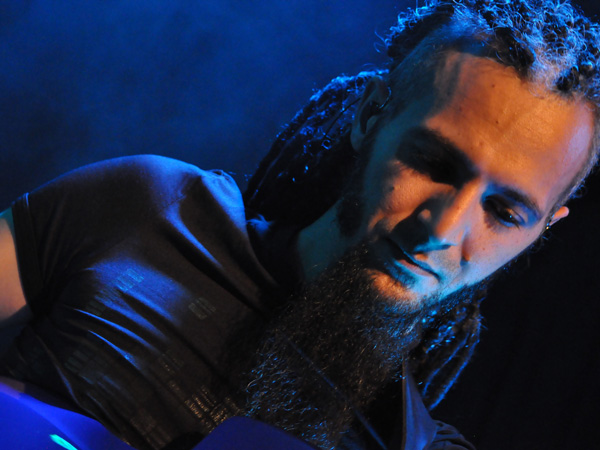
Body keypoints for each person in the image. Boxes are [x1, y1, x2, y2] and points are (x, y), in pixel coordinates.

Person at [0, 0, 599, 449]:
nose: (443, 226)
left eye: (505, 212)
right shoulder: (149, 210)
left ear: (545, 227)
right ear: (371, 115)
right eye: (434, 164)